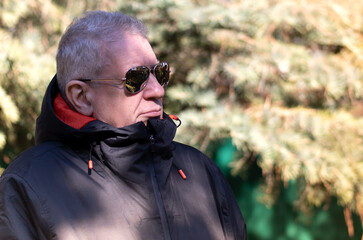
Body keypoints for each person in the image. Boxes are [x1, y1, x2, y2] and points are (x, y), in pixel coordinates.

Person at [0, 11, 247, 240]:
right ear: (81, 96)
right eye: (136, 78)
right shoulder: (27, 183)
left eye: (160, 73)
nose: (158, 90)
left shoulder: (200, 171)